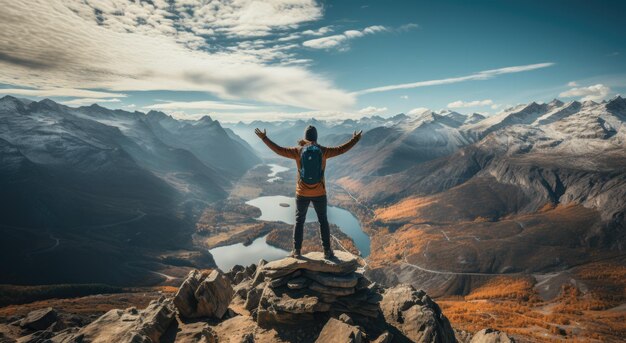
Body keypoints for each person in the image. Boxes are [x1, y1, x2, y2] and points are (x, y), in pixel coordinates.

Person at [255, 125, 362, 259]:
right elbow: (341, 150)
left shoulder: (298, 151)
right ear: (316, 137)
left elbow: (279, 150)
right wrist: (355, 140)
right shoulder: (323, 151)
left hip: (302, 193)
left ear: (305, 138)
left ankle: (297, 251)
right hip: (319, 193)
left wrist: (264, 138)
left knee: (299, 221)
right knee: (323, 221)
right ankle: (327, 251)